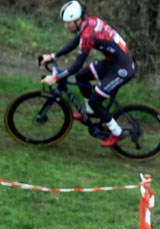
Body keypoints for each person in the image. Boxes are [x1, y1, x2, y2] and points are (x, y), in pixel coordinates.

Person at [39, 1, 135, 147]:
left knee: (95, 100)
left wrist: (56, 77)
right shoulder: (88, 23)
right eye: (65, 23)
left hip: (122, 69)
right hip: (114, 62)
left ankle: (117, 132)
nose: (65, 26)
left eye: (68, 23)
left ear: (78, 20)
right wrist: (53, 55)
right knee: (82, 77)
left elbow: (77, 65)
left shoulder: (88, 35)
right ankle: (90, 113)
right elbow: (74, 42)